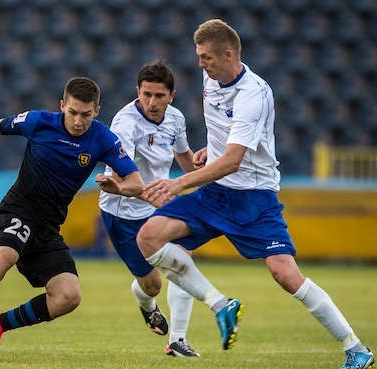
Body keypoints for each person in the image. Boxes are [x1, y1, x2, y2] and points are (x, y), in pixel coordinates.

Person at [136, 19, 374, 369]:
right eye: (199, 56)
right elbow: (223, 137)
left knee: (285, 274)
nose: (199, 64)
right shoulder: (211, 77)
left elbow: (234, 160)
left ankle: (356, 348)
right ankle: (217, 308)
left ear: (228, 54)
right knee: (150, 238)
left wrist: (178, 183)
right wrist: (207, 151)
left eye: (205, 57)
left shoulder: (254, 94)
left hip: (253, 198)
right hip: (216, 192)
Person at [0, 77, 146, 344]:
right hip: (19, 209)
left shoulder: (103, 139)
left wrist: (118, 188)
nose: (78, 121)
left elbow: (136, 182)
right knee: (5, 256)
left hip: (48, 227)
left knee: (68, 296)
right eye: (72, 113)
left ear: (96, 111)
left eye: (85, 115)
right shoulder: (39, 122)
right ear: (62, 106)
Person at [99, 59, 201, 358]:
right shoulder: (125, 123)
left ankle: (178, 340)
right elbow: (123, 178)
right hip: (123, 210)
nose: (152, 102)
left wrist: (206, 171)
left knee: (182, 257)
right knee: (152, 285)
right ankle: (146, 303)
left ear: (172, 95)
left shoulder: (176, 119)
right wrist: (156, 196)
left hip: (160, 202)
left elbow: (184, 158)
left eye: (159, 96)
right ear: (137, 92)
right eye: (146, 94)